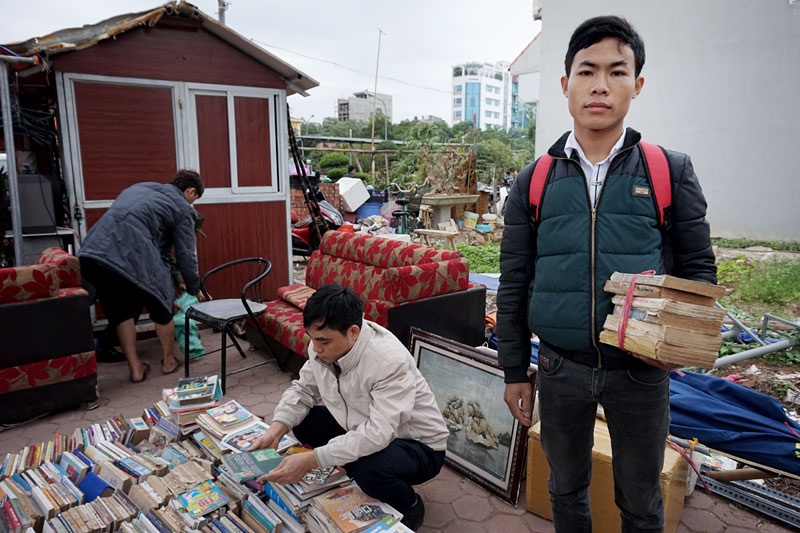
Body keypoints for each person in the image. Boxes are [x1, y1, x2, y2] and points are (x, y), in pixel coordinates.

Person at [496, 16, 716, 532]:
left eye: (617, 72)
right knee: (564, 488)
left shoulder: (668, 170)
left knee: (641, 499)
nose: (600, 84)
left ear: (636, 85)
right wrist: (512, 371)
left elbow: (698, 274)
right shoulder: (535, 180)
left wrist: (677, 342)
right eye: (586, 70)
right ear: (565, 84)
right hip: (558, 371)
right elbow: (513, 280)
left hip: (639, 375)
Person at [250, 284, 448, 531]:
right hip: (359, 424)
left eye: (323, 341)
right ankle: (351, 473)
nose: (316, 348)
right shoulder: (321, 346)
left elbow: (379, 432)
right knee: (304, 421)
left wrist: (314, 459)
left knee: (370, 470)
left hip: (418, 444)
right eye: (312, 339)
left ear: (354, 332)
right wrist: (276, 430)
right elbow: (303, 390)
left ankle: (409, 505)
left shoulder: (387, 360)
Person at [79, 170, 205, 383]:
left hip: (95, 253)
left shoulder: (140, 187)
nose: (192, 203)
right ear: (191, 190)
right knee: (163, 306)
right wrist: (194, 288)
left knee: (122, 312)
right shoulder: (182, 208)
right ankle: (168, 362)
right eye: (195, 198)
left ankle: (136, 369)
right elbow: (186, 255)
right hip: (133, 254)